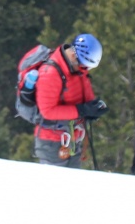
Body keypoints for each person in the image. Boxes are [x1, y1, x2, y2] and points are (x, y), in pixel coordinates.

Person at [31, 32, 107, 167]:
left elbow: (82, 91)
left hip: (73, 137)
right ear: (73, 55)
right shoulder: (50, 73)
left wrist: (92, 108)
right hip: (52, 142)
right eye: (84, 65)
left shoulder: (77, 67)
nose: (86, 69)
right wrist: (82, 110)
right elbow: (47, 111)